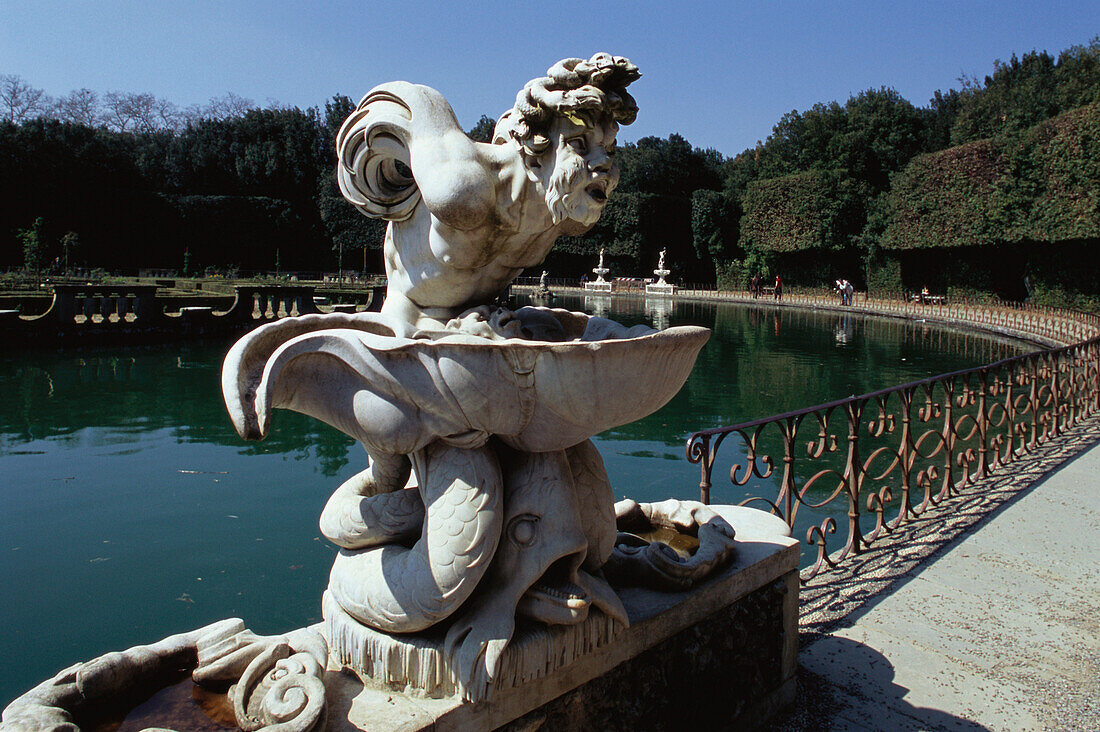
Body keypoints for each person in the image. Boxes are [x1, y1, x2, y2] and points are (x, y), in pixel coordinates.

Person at [336, 53, 640, 331]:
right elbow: (418, 104)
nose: (604, 164)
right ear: (536, 146)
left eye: (609, 149)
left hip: (484, 320)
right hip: (407, 319)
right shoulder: (463, 185)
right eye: (579, 144)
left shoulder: (568, 214)